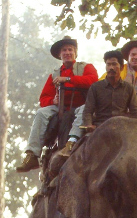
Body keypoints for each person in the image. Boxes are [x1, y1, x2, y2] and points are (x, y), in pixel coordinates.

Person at [59, 40, 137, 156]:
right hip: (106, 114)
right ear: (127, 58)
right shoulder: (114, 73)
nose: (135, 57)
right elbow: (99, 92)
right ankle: (72, 142)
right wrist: (90, 122)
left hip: (131, 117)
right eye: (133, 55)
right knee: (84, 113)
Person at [16, 36, 98, 172]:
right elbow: (43, 98)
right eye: (64, 50)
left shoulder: (86, 67)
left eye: (70, 49)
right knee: (41, 113)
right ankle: (32, 154)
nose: (67, 52)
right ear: (60, 55)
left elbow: (93, 81)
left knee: (83, 110)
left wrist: (68, 79)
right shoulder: (54, 75)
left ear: (75, 53)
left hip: (81, 105)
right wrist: (52, 101)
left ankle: (71, 142)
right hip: (60, 107)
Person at [70, 50, 137, 146]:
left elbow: (135, 113)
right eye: (108, 64)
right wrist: (88, 124)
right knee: (83, 151)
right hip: (99, 128)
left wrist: (132, 128)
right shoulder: (95, 87)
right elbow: (88, 111)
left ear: (122, 67)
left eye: (114, 64)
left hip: (122, 128)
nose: (111, 67)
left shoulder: (128, 88)